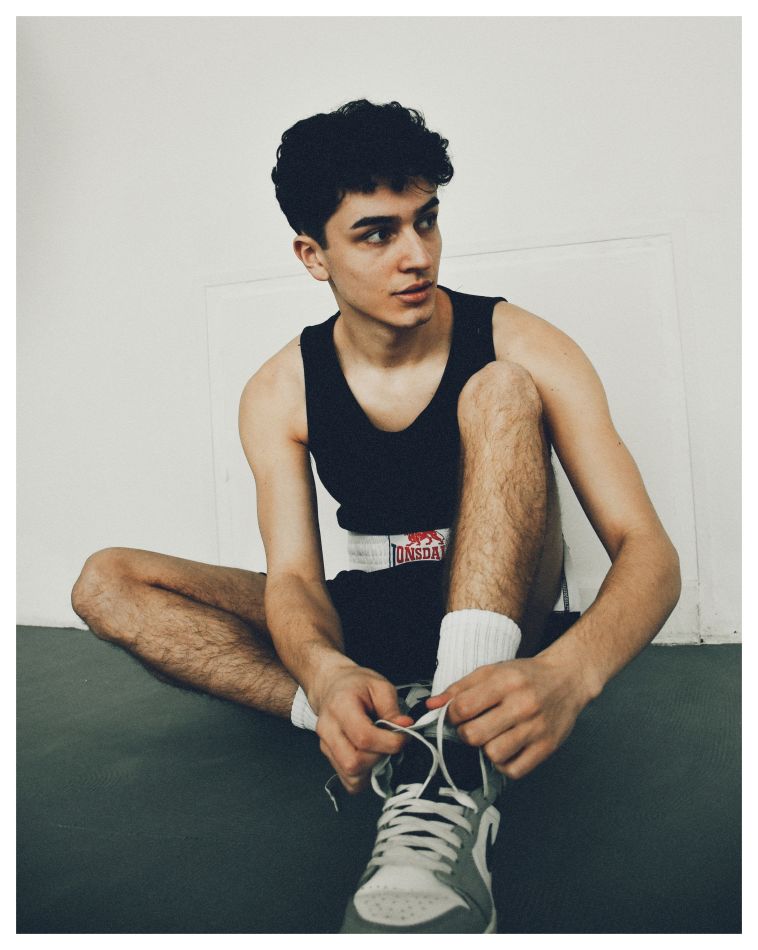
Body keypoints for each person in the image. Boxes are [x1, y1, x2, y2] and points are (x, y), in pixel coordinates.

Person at [71, 99, 681, 934]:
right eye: (376, 234)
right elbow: (294, 578)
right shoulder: (279, 389)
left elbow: (647, 548)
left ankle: (451, 764)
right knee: (106, 582)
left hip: (505, 613)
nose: (416, 255)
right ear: (312, 255)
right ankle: (383, 723)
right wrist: (323, 673)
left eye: (426, 221)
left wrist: (571, 673)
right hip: (369, 617)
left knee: (502, 388)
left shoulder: (522, 343)